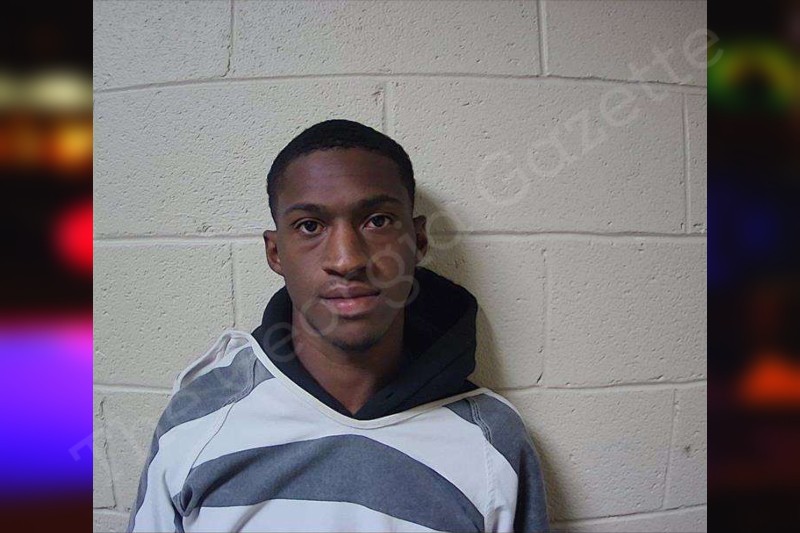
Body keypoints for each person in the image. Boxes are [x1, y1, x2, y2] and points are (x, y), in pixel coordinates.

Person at [127, 120, 550, 532]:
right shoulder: (197, 422)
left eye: (377, 221)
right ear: (275, 253)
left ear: (419, 241)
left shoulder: (492, 444)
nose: (347, 260)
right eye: (310, 226)